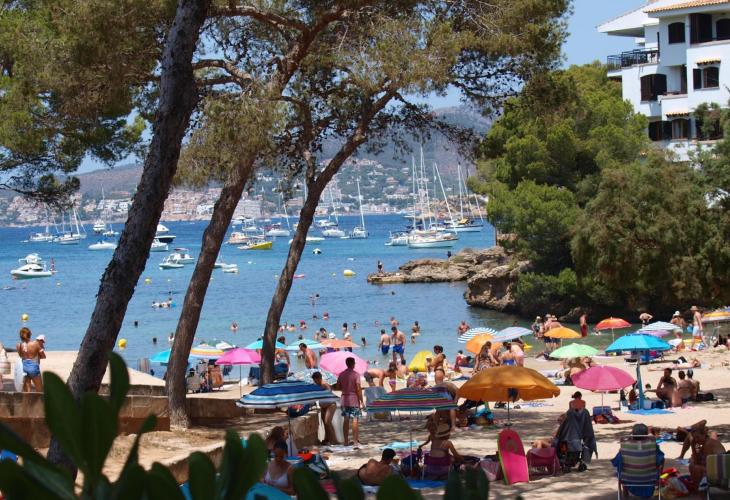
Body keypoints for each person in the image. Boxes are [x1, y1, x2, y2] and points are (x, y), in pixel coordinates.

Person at [612, 423, 664, 498]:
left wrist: (629, 438)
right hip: (650, 478)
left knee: (621, 466)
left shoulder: (625, 446)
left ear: (633, 434)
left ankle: (625, 493)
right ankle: (658, 483)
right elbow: (661, 459)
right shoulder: (652, 445)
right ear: (646, 435)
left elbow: (616, 462)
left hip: (628, 479)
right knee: (660, 460)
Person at [337, 357, 363, 447]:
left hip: (344, 398)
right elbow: (358, 389)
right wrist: (361, 401)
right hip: (354, 399)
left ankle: (345, 441)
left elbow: (338, 387)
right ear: (352, 364)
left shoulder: (341, 374)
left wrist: (345, 388)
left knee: (346, 420)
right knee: (355, 420)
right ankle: (355, 441)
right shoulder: (356, 375)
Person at [312, 371, 337, 444]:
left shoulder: (325, 385)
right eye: (314, 381)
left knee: (327, 422)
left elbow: (330, 395)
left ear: (319, 378)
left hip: (331, 405)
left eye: (315, 380)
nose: (315, 382)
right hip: (323, 406)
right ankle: (327, 439)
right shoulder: (317, 386)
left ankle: (334, 440)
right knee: (324, 424)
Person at [17, 328, 44, 392]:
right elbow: (43, 356)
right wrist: (38, 354)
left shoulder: (18, 345)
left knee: (27, 391)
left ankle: (27, 399)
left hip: (24, 367)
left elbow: (21, 356)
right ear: (30, 334)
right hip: (33, 367)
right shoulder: (35, 344)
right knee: (39, 390)